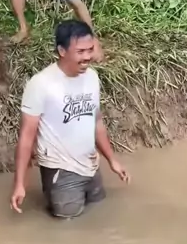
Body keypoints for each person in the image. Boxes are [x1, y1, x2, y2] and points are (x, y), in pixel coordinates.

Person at [10, 20, 130, 218]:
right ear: (62, 51)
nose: (87, 57)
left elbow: (96, 122)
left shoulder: (92, 78)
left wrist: (112, 160)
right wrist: (19, 184)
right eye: (80, 51)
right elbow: (26, 136)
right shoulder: (41, 84)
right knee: (67, 223)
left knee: (99, 212)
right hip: (61, 171)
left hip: (91, 166)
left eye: (90, 50)